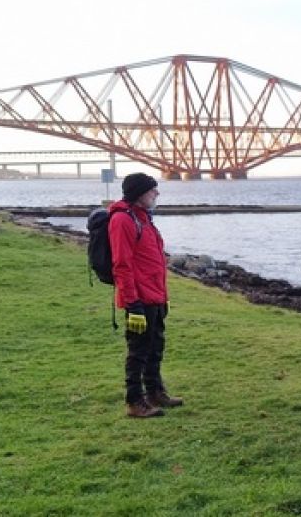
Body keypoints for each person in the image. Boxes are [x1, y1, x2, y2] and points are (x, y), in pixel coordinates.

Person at [111, 172, 183, 418]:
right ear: (140, 193)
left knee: (155, 348)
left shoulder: (144, 218)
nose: (157, 194)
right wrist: (133, 304)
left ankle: (155, 392)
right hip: (139, 299)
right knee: (138, 351)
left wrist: (163, 297)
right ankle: (135, 401)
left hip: (155, 297)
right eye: (153, 190)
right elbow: (122, 265)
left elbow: (152, 261)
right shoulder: (123, 220)